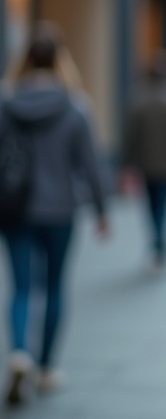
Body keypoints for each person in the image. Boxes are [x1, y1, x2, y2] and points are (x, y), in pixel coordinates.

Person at [2, 24, 108, 405]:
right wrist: (101, 209)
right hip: (61, 210)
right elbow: (90, 165)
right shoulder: (76, 106)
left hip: (14, 210)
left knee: (22, 288)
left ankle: (19, 354)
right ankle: (45, 368)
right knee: (55, 287)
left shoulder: (6, 104)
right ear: (62, 60)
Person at [123, 50, 166, 273]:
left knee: (152, 205)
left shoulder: (139, 99)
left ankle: (157, 241)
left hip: (146, 164)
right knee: (164, 204)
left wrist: (126, 164)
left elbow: (130, 136)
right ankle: (160, 241)